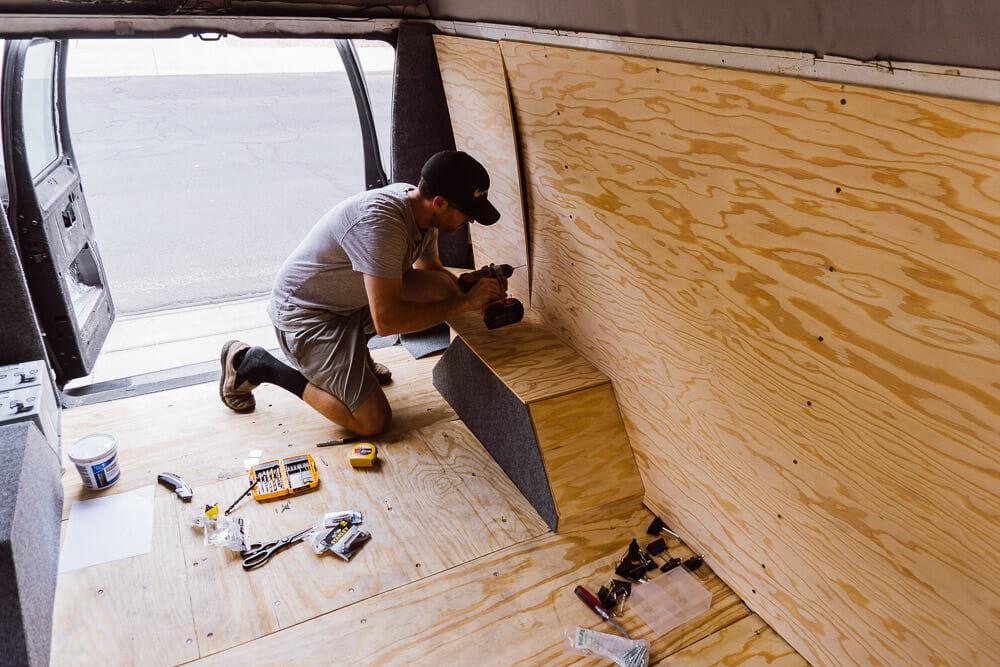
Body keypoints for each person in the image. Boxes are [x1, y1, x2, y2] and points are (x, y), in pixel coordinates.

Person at [218, 150, 507, 436]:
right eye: (468, 213)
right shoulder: (383, 225)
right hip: (307, 318)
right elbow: (388, 321)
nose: (470, 221)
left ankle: (355, 353)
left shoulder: (422, 211)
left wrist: (468, 284)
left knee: (441, 289)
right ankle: (258, 365)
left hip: (344, 303)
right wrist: (466, 303)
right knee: (372, 421)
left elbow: (432, 271)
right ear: (440, 203)